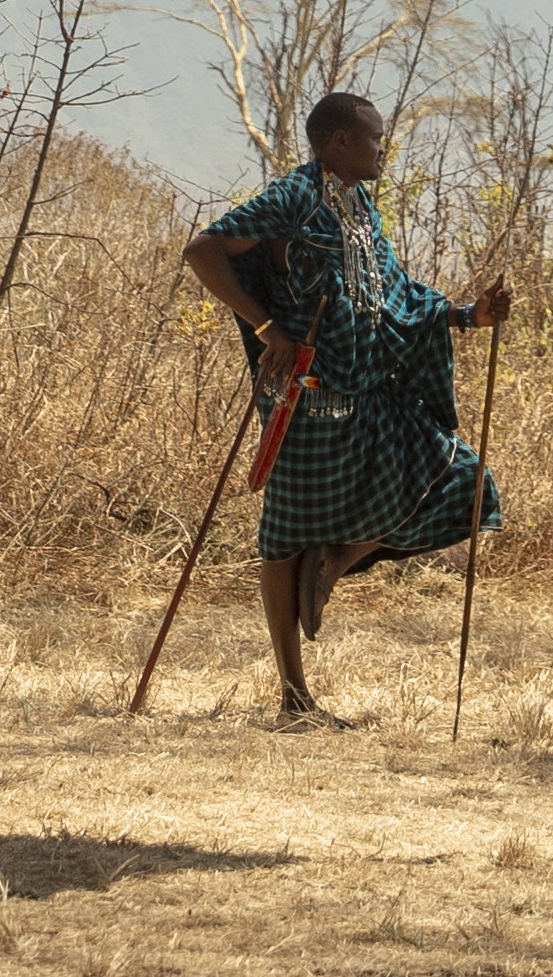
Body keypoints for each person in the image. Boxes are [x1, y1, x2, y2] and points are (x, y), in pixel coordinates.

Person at [177, 88, 510, 721]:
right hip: (304, 391)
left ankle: (335, 559)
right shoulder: (294, 196)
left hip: (368, 388)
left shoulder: (362, 208)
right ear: (340, 142)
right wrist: (266, 327)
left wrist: (469, 315)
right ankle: (294, 698)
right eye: (376, 139)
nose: (385, 150)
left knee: (460, 477)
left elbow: (396, 293)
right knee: (285, 538)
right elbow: (204, 251)